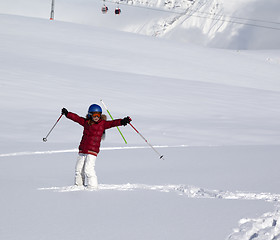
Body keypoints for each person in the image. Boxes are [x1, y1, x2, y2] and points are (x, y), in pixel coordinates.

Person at [61, 104, 131, 189]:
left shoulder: (103, 124)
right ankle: (78, 186)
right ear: (90, 115)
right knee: (78, 169)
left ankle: (93, 187)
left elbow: (113, 123)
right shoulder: (86, 122)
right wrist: (67, 114)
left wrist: (122, 121)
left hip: (92, 150)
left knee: (88, 169)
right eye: (94, 115)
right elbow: (76, 118)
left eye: (98, 115)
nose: (96, 117)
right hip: (82, 149)